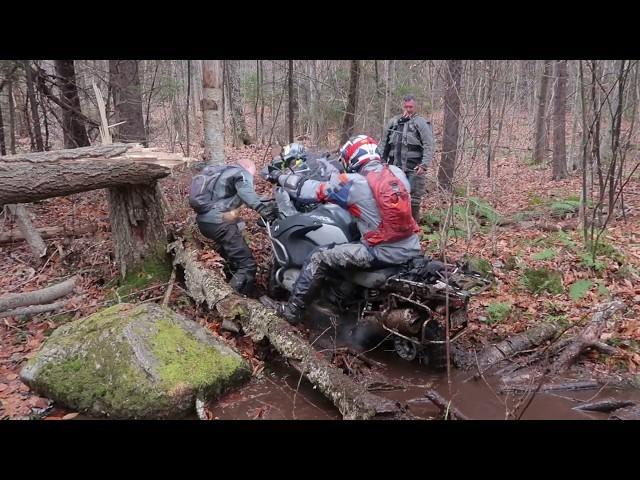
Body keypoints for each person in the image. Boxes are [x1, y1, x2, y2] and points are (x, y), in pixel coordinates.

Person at [260, 135, 422, 324]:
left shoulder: (353, 183)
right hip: (411, 246)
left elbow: (309, 190)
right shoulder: (397, 173)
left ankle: (291, 311)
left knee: (319, 256)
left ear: (352, 158)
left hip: (380, 251)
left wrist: (279, 176)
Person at [189, 157, 277, 296]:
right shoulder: (241, 173)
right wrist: (264, 211)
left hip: (205, 222)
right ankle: (232, 299)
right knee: (247, 265)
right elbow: (246, 192)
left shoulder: (221, 171)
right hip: (220, 222)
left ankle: (232, 282)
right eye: (252, 176)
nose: (251, 179)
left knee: (230, 257)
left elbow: (231, 197)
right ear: (248, 168)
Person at [378, 94, 434, 222]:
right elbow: (384, 143)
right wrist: (382, 161)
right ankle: (396, 226)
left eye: (411, 107)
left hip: (414, 168)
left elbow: (428, 144)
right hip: (394, 169)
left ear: (415, 107)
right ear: (403, 106)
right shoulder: (393, 122)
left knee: (414, 200)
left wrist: (424, 165)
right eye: (406, 106)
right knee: (393, 197)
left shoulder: (421, 123)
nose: (408, 109)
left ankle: (414, 228)